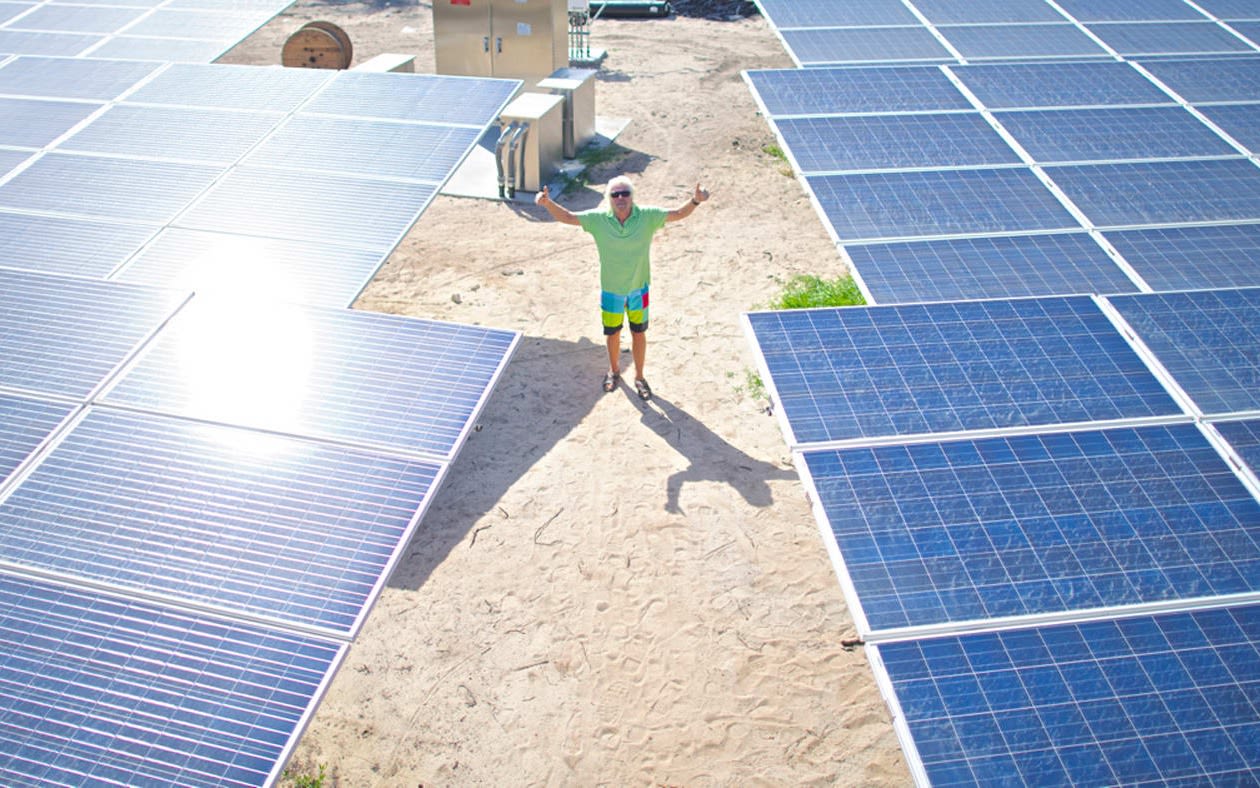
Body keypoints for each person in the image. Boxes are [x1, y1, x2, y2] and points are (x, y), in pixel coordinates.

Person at [534, 175, 709, 400]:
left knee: (639, 332)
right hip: (611, 290)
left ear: (632, 196)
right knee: (612, 333)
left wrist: (695, 201)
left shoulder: (647, 216)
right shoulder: (598, 219)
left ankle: (639, 376)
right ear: (609, 198)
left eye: (624, 193)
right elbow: (568, 217)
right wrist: (547, 203)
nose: (620, 198)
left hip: (639, 289)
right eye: (615, 194)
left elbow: (677, 214)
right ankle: (614, 371)